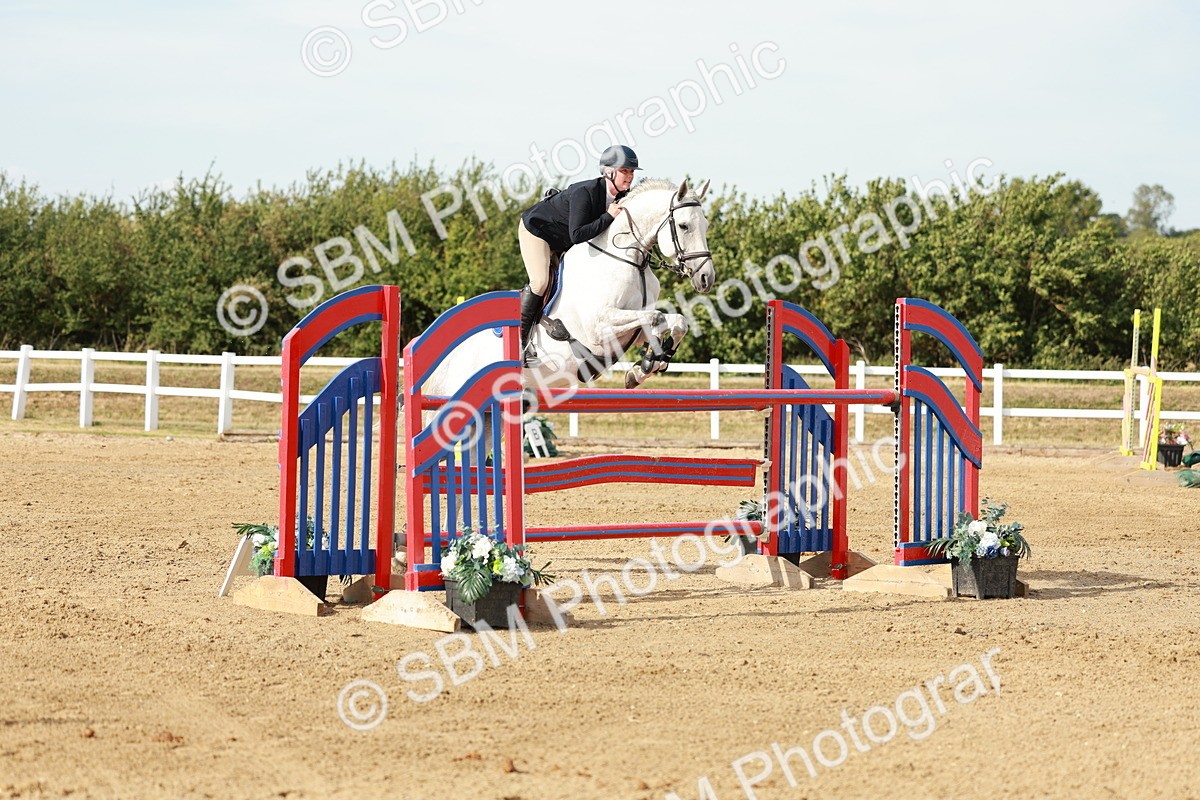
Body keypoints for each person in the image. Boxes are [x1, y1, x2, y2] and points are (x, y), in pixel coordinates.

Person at [517, 144, 641, 350]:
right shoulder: (586, 192)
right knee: (540, 282)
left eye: (631, 172)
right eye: (624, 171)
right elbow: (577, 235)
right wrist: (608, 216)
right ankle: (518, 339)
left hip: (561, 239)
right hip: (537, 231)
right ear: (608, 172)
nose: (629, 176)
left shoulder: (620, 197)